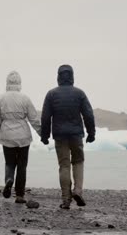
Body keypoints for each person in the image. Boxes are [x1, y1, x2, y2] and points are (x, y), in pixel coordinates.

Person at [40, 64, 96, 209]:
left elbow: (45, 117)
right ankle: (77, 190)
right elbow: (88, 115)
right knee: (78, 162)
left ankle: (66, 199)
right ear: (72, 76)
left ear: (58, 77)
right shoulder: (79, 93)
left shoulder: (51, 94)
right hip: (76, 134)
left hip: (60, 136)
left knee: (64, 165)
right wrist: (91, 133)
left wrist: (44, 136)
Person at [0, 71, 41, 203]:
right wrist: (42, 133)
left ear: (7, 83)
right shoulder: (25, 98)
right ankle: (20, 195)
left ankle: (9, 179)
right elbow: (33, 119)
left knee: (9, 162)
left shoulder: (0, 98)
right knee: (22, 165)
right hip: (23, 137)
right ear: (19, 83)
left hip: (7, 135)